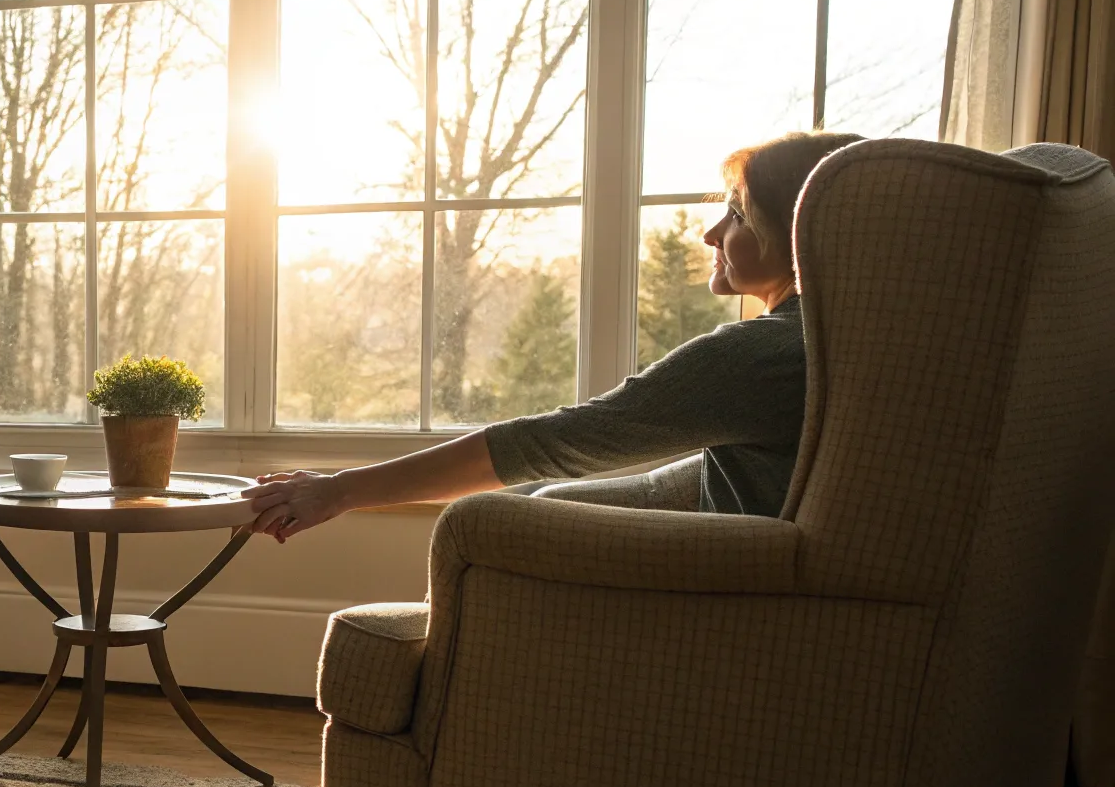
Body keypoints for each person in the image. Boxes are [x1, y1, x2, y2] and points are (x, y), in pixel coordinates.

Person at [246, 130, 865, 541]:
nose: (710, 235)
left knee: (495, 519)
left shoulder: (761, 357)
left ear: (798, 234)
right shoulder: (852, 346)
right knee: (537, 498)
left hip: (739, 589)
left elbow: (559, 439)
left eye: (735, 214)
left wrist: (337, 493)